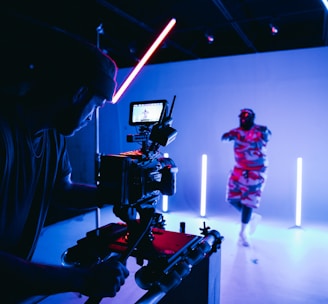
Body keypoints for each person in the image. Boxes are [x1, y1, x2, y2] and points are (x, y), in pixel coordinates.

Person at [0, 17, 129, 303]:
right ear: (78, 93)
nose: (92, 117)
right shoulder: (4, 135)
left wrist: (115, 194)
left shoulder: (53, 136)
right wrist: (83, 279)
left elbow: (62, 190)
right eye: (95, 106)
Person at [221, 108, 271, 247]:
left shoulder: (260, 130)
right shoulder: (236, 132)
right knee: (231, 198)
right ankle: (250, 217)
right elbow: (224, 137)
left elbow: (268, 135)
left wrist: (265, 134)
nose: (243, 119)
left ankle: (244, 232)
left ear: (252, 118)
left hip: (255, 171)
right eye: (241, 117)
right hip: (239, 169)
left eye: (246, 117)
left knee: (249, 202)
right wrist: (228, 137)